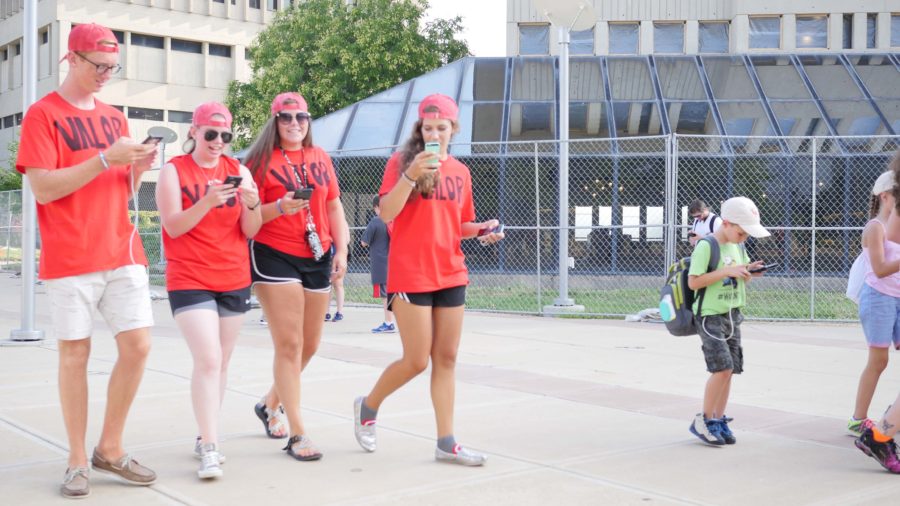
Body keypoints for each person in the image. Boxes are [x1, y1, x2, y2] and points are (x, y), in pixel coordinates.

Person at [15, 23, 159, 498]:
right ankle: (78, 458)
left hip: (121, 248)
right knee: (75, 355)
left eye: (112, 69)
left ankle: (109, 449)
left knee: (137, 346)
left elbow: (123, 189)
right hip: (71, 253)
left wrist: (134, 168)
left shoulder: (115, 118)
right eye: (98, 67)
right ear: (71, 59)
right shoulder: (42, 115)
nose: (105, 75)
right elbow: (43, 187)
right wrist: (103, 159)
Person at [352, 94, 504, 466]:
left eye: (442, 127)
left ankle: (446, 442)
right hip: (411, 273)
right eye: (428, 127)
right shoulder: (401, 163)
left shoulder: (462, 173)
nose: (434, 133)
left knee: (446, 358)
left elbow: (459, 224)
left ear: (454, 129)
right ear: (420, 129)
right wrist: (411, 175)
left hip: (451, 271)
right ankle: (368, 407)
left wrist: (484, 228)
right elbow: (386, 212)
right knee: (417, 360)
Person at [156, 102, 262, 479]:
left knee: (222, 362)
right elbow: (172, 227)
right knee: (209, 360)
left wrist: (253, 203)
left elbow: (251, 230)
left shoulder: (240, 171)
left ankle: (205, 435)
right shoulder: (174, 171)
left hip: (233, 276)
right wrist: (207, 201)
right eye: (211, 134)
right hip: (189, 278)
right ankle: (212, 448)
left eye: (226, 136)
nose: (218, 142)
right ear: (194, 132)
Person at [243, 92, 349, 460]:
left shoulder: (319, 156)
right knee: (289, 345)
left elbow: (333, 204)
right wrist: (279, 207)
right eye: (286, 118)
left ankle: (269, 404)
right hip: (274, 254)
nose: (294, 124)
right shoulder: (258, 162)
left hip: (317, 253)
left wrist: (343, 249)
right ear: (275, 122)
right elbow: (249, 221)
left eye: (301, 117)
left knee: (310, 344)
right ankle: (299, 434)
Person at [686, 196, 769, 446]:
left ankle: (718, 419)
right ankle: (704, 420)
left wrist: (749, 271)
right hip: (710, 315)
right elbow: (694, 281)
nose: (744, 239)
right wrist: (726, 271)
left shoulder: (738, 246)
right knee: (720, 368)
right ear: (727, 223)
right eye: (741, 233)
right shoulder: (707, 246)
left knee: (730, 369)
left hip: (732, 313)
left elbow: (741, 277)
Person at [848, 171, 900, 437]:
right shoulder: (874, 227)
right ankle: (858, 418)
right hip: (878, 298)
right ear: (885, 196)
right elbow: (879, 269)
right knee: (879, 361)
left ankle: (894, 415)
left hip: (898, 298)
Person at [361, 195, 394, 333]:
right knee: (392, 293)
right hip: (393, 261)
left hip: (380, 263)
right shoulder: (392, 220)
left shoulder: (376, 221)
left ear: (376, 207)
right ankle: (390, 321)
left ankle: (388, 322)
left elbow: (364, 242)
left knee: (385, 294)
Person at [325, 245, 346, 322]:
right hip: (325, 255)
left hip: (337, 255)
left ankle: (339, 312)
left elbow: (346, 240)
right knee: (327, 284)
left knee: (338, 284)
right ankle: (326, 312)